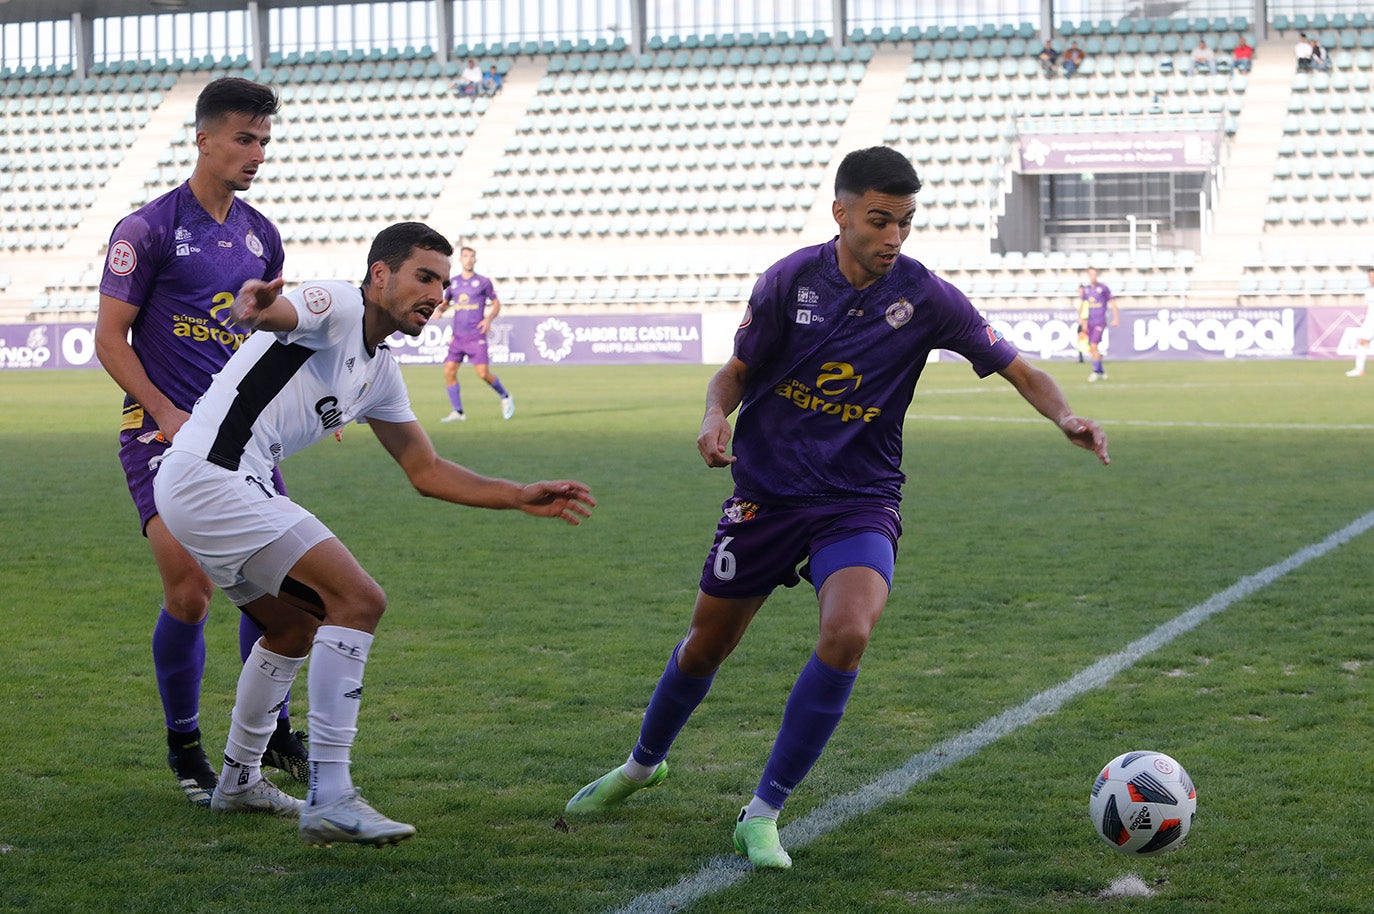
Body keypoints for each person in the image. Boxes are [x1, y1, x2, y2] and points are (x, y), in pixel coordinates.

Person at [563, 147, 1110, 869]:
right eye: (879, 220)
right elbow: (734, 374)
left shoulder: (927, 297)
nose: (893, 237)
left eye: (905, 223)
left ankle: (762, 814)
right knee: (707, 645)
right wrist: (711, 417)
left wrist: (1065, 416)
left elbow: (1018, 367)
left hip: (859, 499)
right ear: (842, 212)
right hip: (767, 493)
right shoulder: (790, 282)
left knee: (848, 631)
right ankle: (641, 766)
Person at [152, 222, 596, 846]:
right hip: (212, 478)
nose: (436, 293)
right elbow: (283, 310)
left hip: (208, 485)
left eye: (443, 282)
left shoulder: (381, 371)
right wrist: (261, 306)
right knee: (359, 601)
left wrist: (517, 496)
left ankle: (239, 781)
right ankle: (331, 794)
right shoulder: (335, 304)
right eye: (424, 277)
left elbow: (426, 470)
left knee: (291, 626)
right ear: (381, 276)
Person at [94, 76, 309, 807]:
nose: (257, 154)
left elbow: (276, 339)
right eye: (245, 139)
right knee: (189, 594)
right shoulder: (147, 229)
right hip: (159, 435)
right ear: (205, 138)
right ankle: (185, 746)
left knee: (279, 594)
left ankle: (270, 737)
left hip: (243, 443)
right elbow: (108, 340)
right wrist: (165, 409)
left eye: (264, 142)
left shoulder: (260, 235)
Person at [438, 245, 514, 422]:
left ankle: (505, 396)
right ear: (461, 259)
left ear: (475, 259)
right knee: (449, 371)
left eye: (472, 256)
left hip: (475, 336)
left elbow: (496, 304)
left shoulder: (483, 282)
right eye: (465, 256)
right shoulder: (453, 282)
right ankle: (458, 412)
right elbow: (446, 302)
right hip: (457, 336)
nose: (469, 259)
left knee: (483, 374)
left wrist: (488, 320)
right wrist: (440, 309)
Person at [1079, 266, 1119, 382]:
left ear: (1097, 275)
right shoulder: (1086, 290)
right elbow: (1083, 305)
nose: (1093, 277)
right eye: (1091, 274)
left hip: (1099, 321)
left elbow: (1113, 303)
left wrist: (1116, 318)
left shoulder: (1103, 288)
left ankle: (1095, 372)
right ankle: (1101, 371)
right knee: (1092, 348)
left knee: (1093, 345)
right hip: (1090, 321)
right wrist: (1082, 319)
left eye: (1094, 274)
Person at [1346, 266, 1374, 377]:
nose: (1371, 278)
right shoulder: (1368, 291)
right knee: (1363, 342)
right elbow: (1368, 306)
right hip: (1370, 320)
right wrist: (1366, 317)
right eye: (1370, 276)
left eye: (1373, 276)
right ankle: (1359, 369)